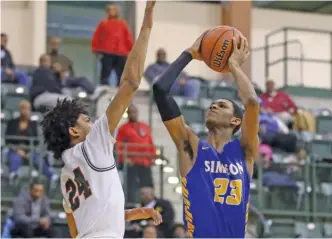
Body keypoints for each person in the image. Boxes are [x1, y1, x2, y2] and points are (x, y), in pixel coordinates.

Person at [40, 2, 161, 238]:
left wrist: (127, 214)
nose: (93, 123)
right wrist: (146, 23)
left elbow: (78, 230)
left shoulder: (67, 175)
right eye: (87, 120)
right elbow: (131, 83)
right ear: (74, 131)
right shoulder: (94, 143)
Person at [152, 33, 260, 238]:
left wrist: (234, 66)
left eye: (222, 105)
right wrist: (190, 53)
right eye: (213, 104)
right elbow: (160, 89)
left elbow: (252, 103)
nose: (213, 106)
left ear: (235, 121)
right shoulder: (191, 146)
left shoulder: (244, 152)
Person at [5, 100, 58, 186]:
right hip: (15, 150)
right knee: (15, 159)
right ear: (19, 109)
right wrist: (17, 150)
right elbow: (7, 140)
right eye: (23, 108)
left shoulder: (33, 124)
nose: (25, 110)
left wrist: (29, 151)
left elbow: (36, 141)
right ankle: (13, 176)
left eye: (27, 108)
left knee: (38, 159)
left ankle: (52, 177)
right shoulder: (12, 122)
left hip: (30, 151)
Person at [116, 104, 156, 203]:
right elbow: (119, 146)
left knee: (148, 187)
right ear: (128, 114)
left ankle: (149, 206)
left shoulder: (145, 126)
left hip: (145, 162)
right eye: (131, 112)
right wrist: (124, 158)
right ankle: (132, 206)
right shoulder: (123, 128)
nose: (133, 114)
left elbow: (150, 143)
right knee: (131, 187)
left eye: (135, 112)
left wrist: (153, 157)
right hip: (131, 163)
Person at [91, 3, 134, 86]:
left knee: (121, 76)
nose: (111, 11)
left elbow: (128, 38)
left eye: (113, 9)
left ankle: (120, 94)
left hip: (121, 53)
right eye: (109, 10)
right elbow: (97, 37)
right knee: (105, 75)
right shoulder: (103, 24)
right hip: (107, 53)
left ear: (117, 11)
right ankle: (104, 90)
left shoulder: (122, 24)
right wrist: (96, 50)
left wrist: (131, 51)